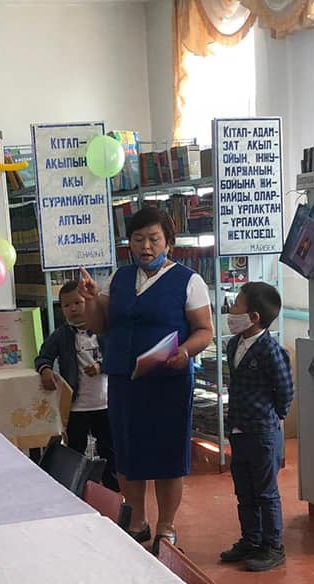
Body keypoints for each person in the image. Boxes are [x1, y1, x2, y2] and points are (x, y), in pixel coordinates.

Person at [79, 206, 213, 553]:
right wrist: (91, 300)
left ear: (169, 242)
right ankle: (137, 520)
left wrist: (185, 351)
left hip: (169, 382)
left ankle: (167, 525)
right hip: (125, 381)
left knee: (168, 454)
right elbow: (100, 325)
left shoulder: (189, 281)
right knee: (128, 453)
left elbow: (204, 331)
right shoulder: (119, 279)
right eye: (138, 239)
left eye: (154, 239)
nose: (146, 247)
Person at [219, 282, 293, 571]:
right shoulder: (234, 344)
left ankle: (272, 545)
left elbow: (285, 390)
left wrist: (273, 417)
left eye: (237, 304)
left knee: (265, 492)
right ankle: (251, 539)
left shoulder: (271, 351)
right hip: (238, 429)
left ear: (254, 317)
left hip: (262, 431)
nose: (231, 309)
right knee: (244, 490)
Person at [35, 281, 117, 491]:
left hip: (106, 404)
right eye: (66, 305)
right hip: (76, 407)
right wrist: (45, 370)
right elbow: (43, 356)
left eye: (78, 303)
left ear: (89, 302)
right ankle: (75, 492)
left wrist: (101, 366)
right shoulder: (60, 335)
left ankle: (113, 492)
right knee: (75, 452)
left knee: (110, 450)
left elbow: (119, 356)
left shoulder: (105, 331)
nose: (72, 308)